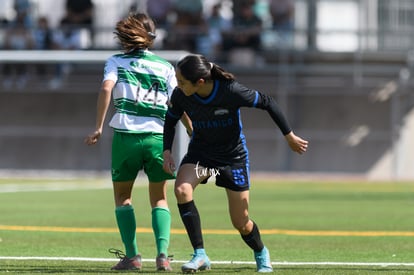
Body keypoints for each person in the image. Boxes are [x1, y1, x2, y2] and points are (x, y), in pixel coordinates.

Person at [162, 54, 308, 273]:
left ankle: (260, 251)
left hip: (232, 160)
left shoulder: (230, 90)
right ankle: (200, 254)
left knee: (241, 222)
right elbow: (171, 120)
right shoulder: (181, 95)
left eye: (182, 81)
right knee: (182, 189)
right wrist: (166, 151)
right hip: (202, 156)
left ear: (200, 81)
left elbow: (268, 102)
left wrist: (289, 136)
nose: (178, 85)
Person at [84, 13, 192, 272]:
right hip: (157, 139)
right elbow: (176, 101)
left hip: (126, 138)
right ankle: (163, 256)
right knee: (159, 199)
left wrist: (98, 127)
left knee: (123, 198)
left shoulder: (116, 62)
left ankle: (132, 257)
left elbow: (106, 89)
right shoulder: (164, 66)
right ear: (151, 38)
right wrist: (190, 127)